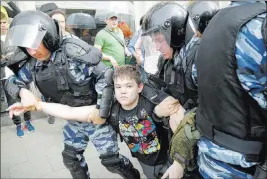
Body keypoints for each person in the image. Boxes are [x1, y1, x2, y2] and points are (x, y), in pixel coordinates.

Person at [3, 10, 140, 179]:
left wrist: (101, 110)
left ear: (47, 37)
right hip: (73, 119)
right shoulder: (34, 62)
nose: (31, 52)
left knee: (112, 162)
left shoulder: (72, 52)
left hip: (95, 115)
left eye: (35, 44)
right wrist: (22, 92)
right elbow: (11, 81)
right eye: (27, 47)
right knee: (71, 160)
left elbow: (105, 76)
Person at [8, 65, 185, 179]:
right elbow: (70, 112)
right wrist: (36, 105)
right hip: (146, 161)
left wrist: (178, 162)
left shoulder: (152, 102)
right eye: (118, 87)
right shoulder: (111, 109)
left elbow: (178, 114)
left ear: (139, 87)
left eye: (129, 86)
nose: (123, 92)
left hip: (167, 158)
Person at [141, 1, 218, 178]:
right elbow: (164, 94)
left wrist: (185, 119)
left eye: (160, 40)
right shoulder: (168, 60)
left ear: (175, 33)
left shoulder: (199, 56)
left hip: (202, 152)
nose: (158, 47)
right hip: (177, 146)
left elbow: (216, 109)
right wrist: (158, 112)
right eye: (154, 41)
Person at [194, 1, 267, 178]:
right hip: (246, 164)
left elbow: (197, 77)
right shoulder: (259, 21)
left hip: (211, 158)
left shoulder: (216, 20)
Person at [1, 6, 35, 137]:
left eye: (4, 22)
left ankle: (28, 121)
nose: (3, 25)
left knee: (27, 98)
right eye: (0, 23)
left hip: (21, 73)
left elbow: (24, 53)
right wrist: (7, 60)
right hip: (6, 77)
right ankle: (18, 125)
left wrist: (8, 59)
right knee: (12, 102)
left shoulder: (15, 35)